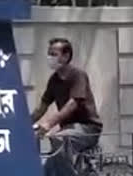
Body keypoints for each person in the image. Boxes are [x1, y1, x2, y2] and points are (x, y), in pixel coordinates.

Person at [31, 38, 102, 176]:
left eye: (54, 54)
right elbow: (42, 106)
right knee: (48, 170)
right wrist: (23, 125)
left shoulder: (78, 75)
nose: (49, 57)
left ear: (66, 56)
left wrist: (49, 123)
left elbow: (73, 104)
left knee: (59, 139)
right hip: (68, 130)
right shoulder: (54, 79)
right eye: (49, 53)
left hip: (88, 128)